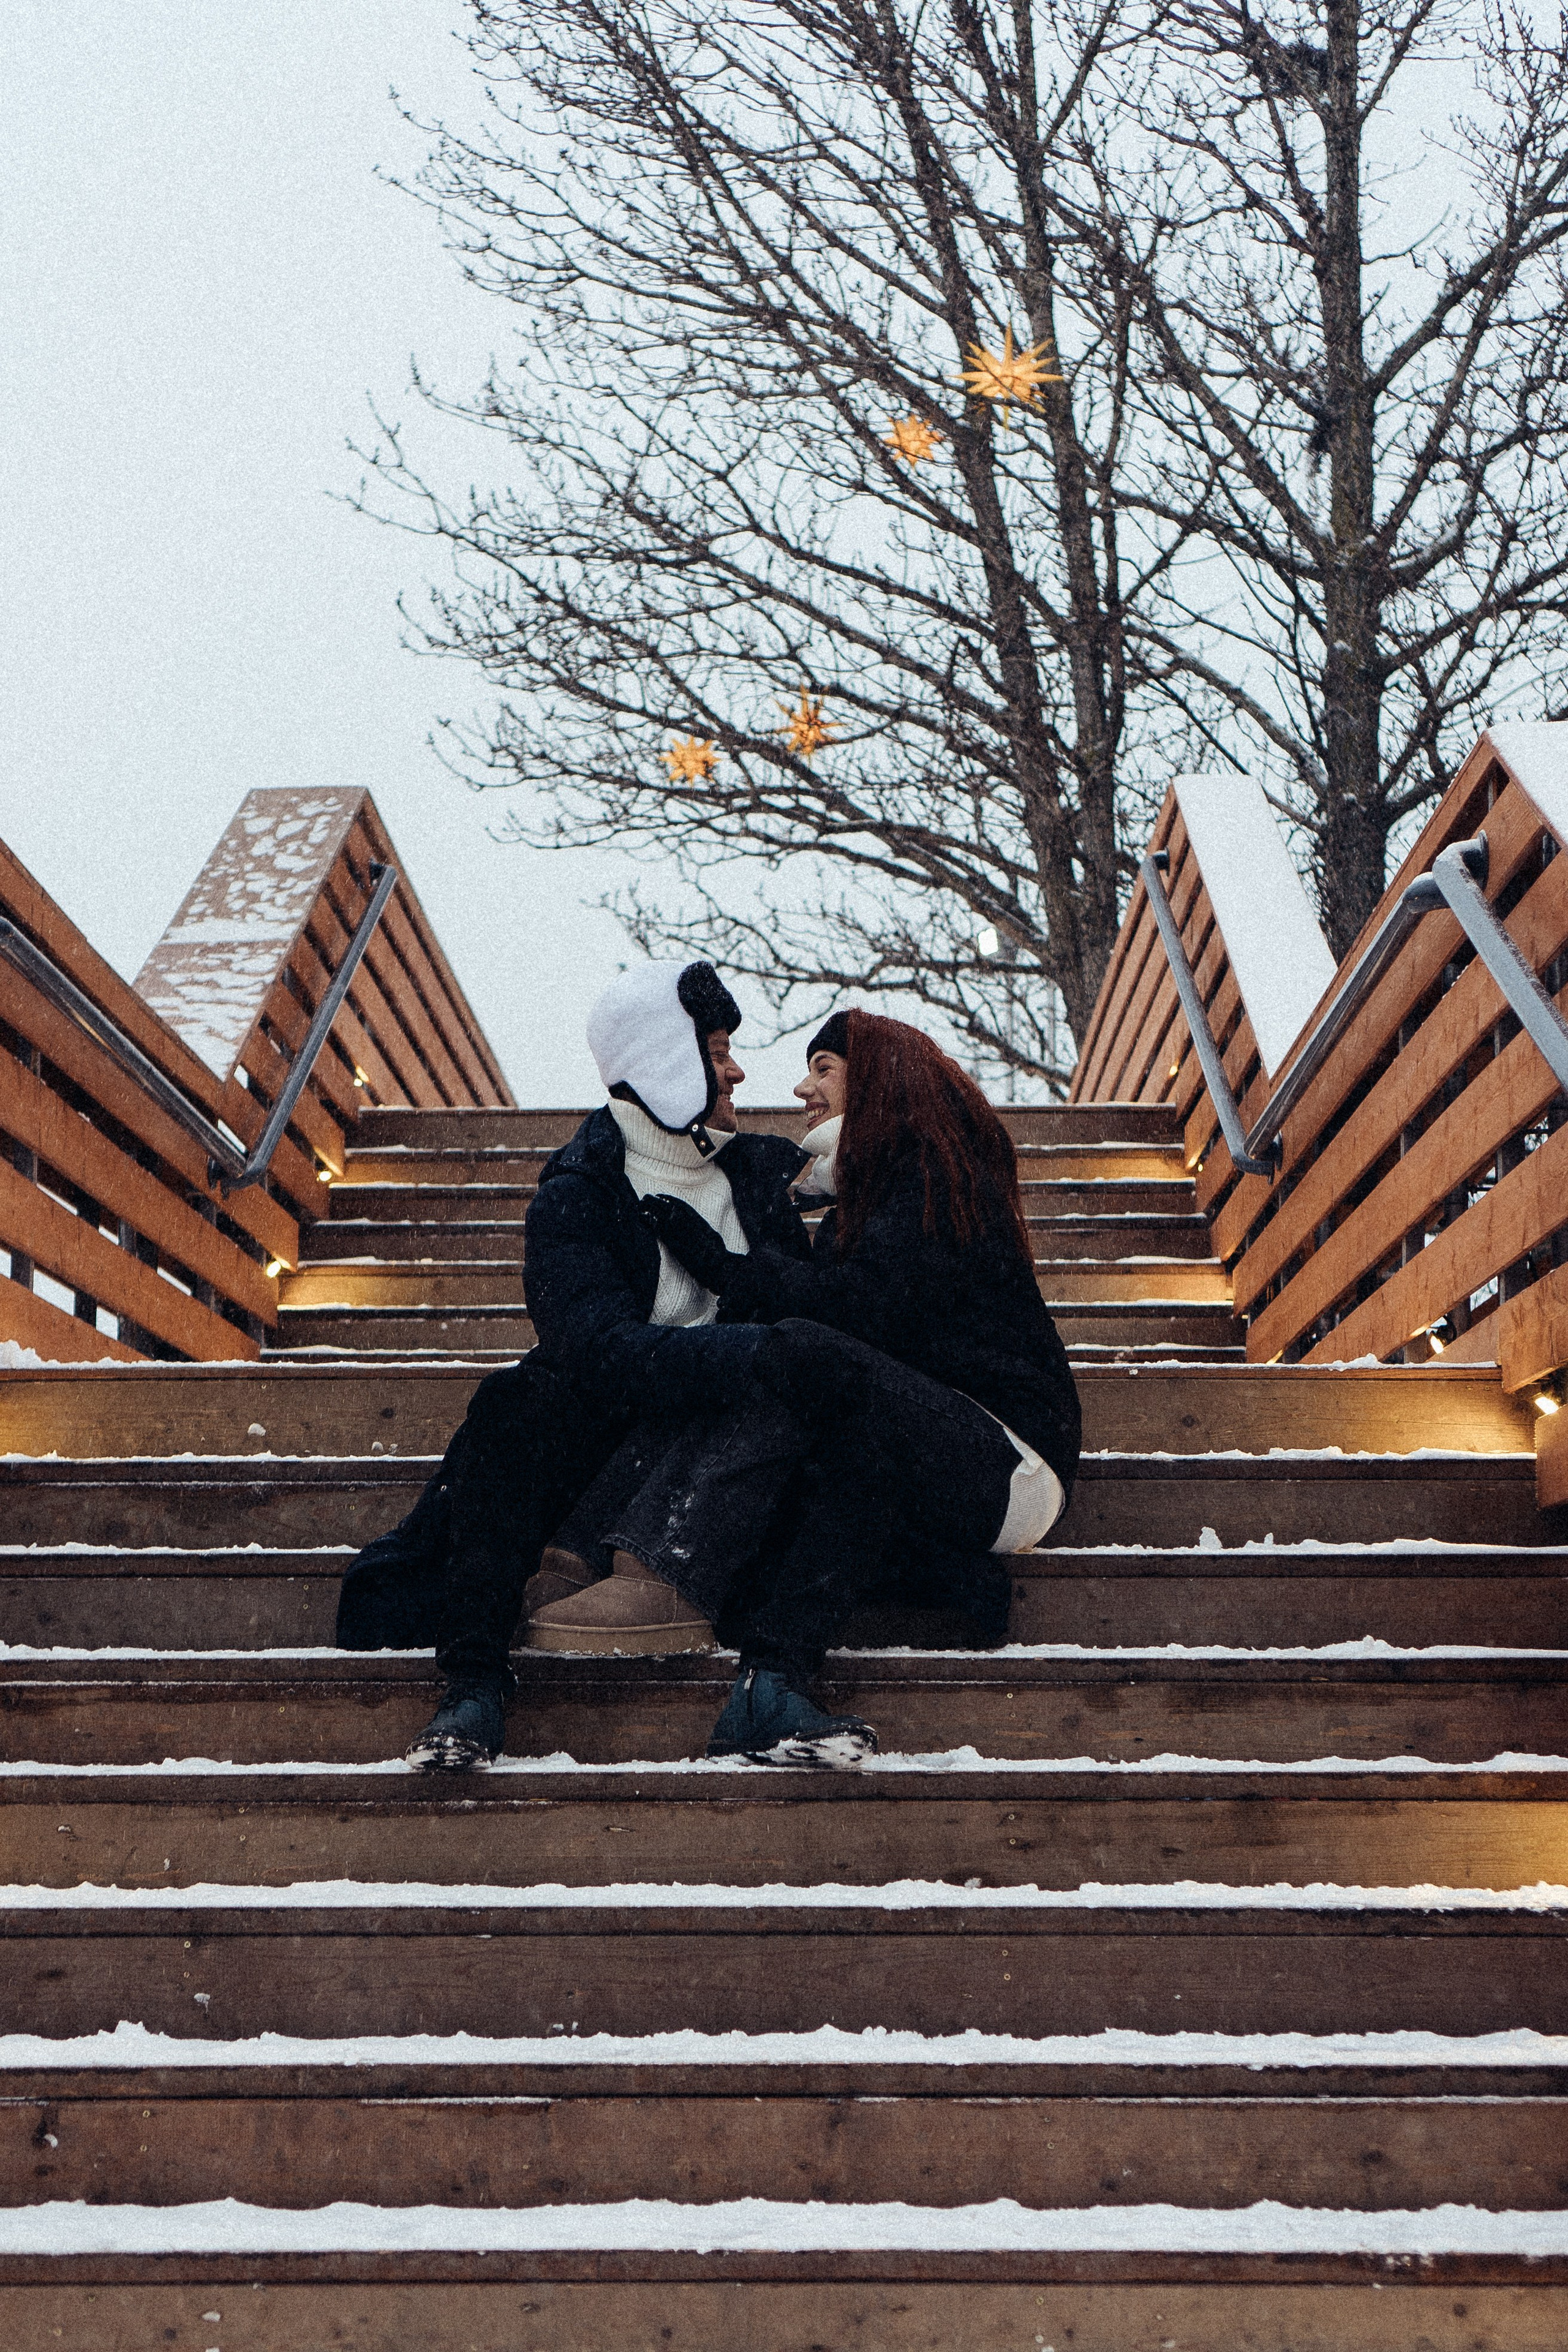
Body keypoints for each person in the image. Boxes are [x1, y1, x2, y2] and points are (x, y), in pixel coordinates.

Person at [535, 1007, 1082, 1765]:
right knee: (759, 1381)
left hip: (1006, 1456)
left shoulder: (933, 1172)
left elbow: (863, 1310)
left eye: (824, 1068)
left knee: (785, 1354)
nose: (801, 1089)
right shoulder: (867, 1193)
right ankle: (759, 1681)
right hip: (923, 1449)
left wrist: (726, 1268)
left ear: (881, 1075)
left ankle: (659, 1570)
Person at [334, 959, 811, 1770]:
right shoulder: (579, 1191)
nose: (736, 1072)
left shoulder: (763, 1177)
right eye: (717, 1052)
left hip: (727, 1458)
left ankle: (757, 1665)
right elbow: (595, 1351)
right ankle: (475, 1684)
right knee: (515, 1402)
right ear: (666, 1061)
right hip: (601, 1440)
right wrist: (757, 1353)